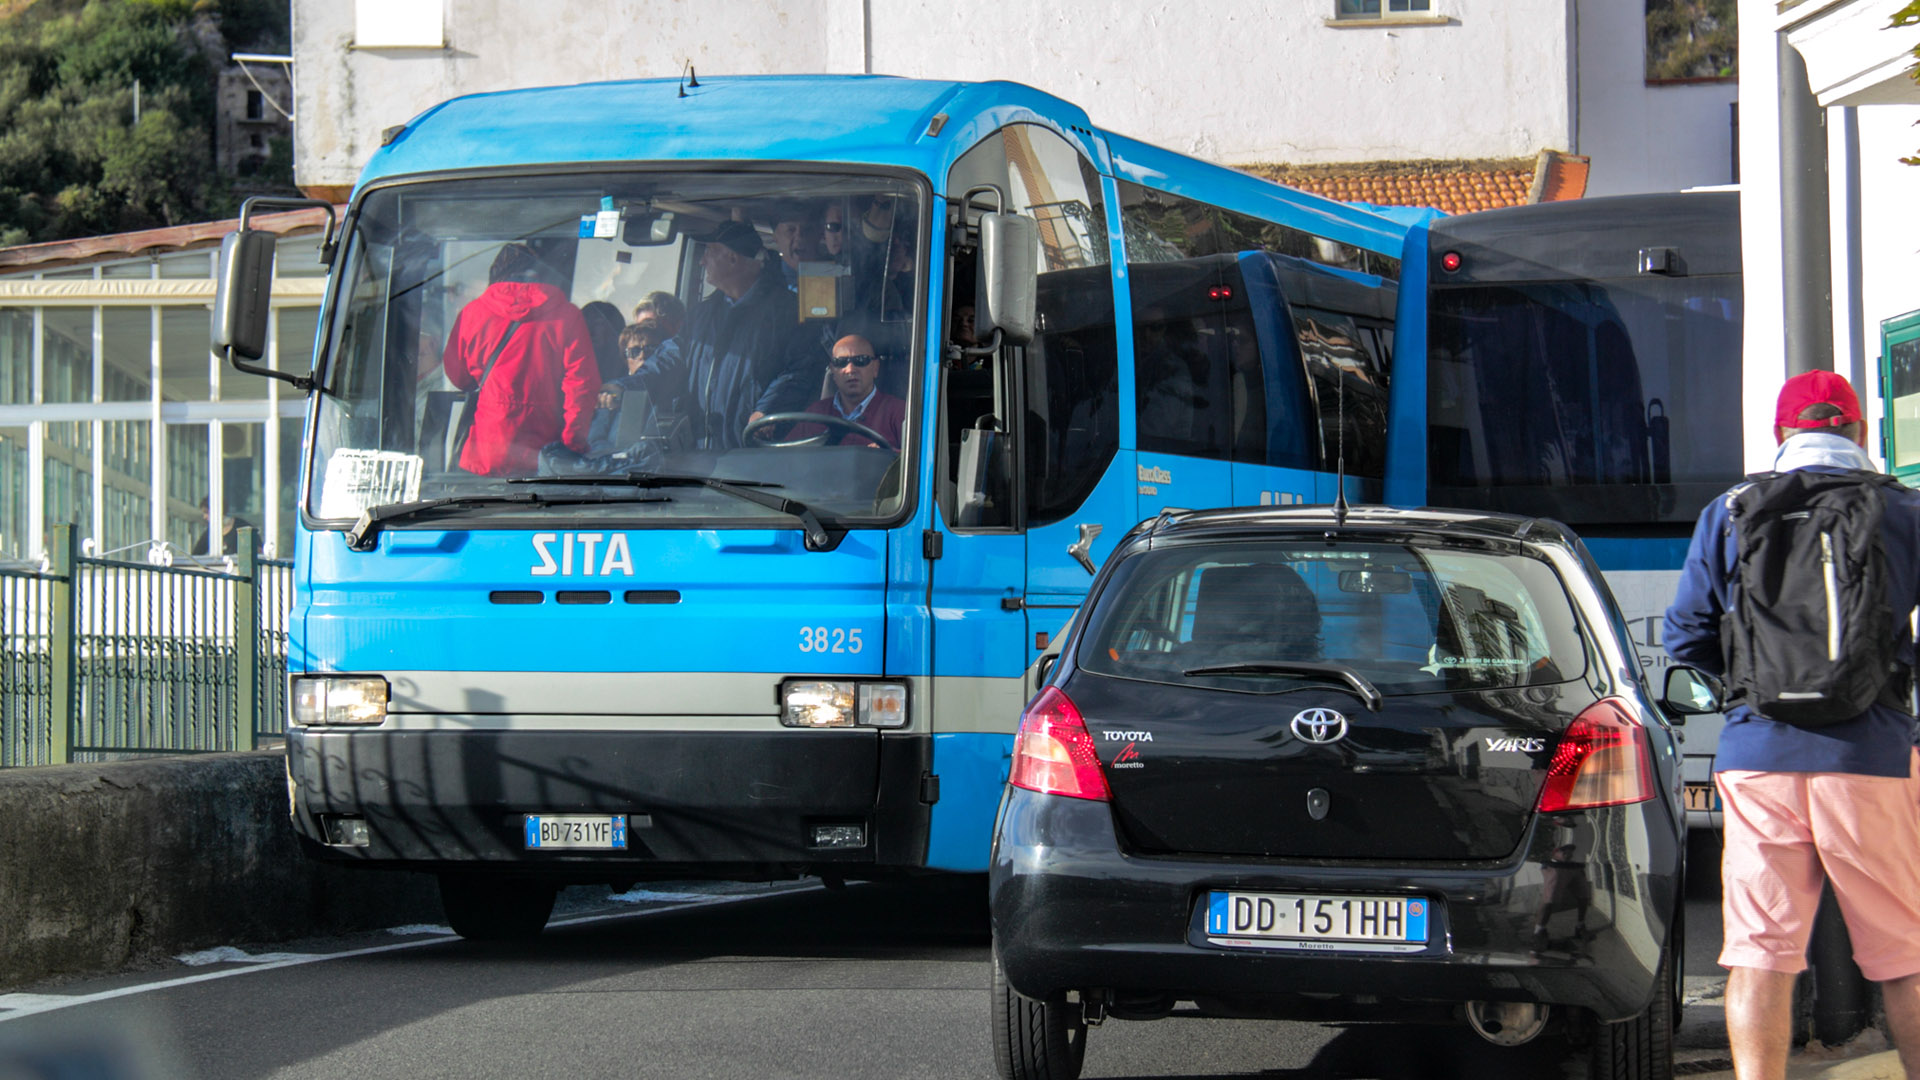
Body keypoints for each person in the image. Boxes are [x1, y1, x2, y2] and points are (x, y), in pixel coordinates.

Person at [1664, 370, 1920, 1080]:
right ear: (1859, 430)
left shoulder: (1731, 510)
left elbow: (1685, 636)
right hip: (1872, 753)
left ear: (1780, 435)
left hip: (1757, 755)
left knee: (1759, 954)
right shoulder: (1903, 510)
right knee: (1905, 956)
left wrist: (1751, 682)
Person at [640, 220, 817, 449]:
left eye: (709, 251)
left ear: (732, 259)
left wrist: (767, 410)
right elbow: (670, 358)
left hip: (754, 454)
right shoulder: (701, 315)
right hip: (699, 457)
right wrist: (629, 385)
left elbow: (800, 370)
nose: (702, 261)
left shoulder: (789, 312)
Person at [442, 242, 599, 476]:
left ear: (496, 275)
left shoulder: (472, 312)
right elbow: (582, 385)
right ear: (538, 274)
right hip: (545, 454)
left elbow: (459, 377)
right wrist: (572, 445)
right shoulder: (567, 315)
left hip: (486, 452)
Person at [786, 334, 906, 449]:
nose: (850, 370)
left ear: (876, 368)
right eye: (841, 362)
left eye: (860, 360)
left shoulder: (899, 412)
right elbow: (787, 457)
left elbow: (918, 458)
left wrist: (886, 454)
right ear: (833, 371)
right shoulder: (816, 413)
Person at [579, 300, 626, 384]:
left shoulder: (630, 367)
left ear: (615, 328)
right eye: (584, 324)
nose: (590, 330)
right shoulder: (571, 367)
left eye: (598, 324)